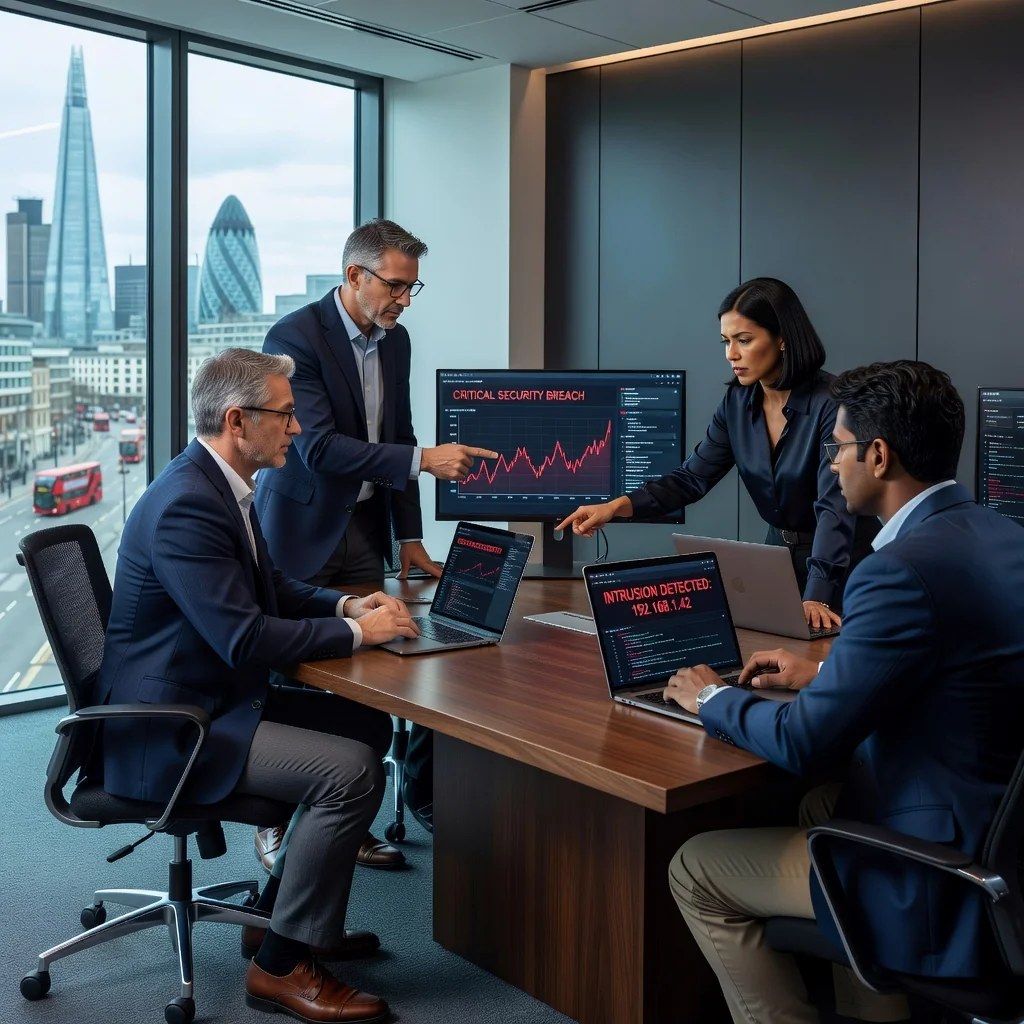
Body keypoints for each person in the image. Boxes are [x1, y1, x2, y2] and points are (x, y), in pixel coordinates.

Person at [661, 360, 1024, 1024]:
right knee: (821, 805)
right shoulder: (1004, 537)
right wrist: (826, 673)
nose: (830, 465)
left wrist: (711, 698)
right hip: (1002, 831)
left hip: (945, 877)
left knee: (694, 869)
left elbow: (804, 742)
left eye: (838, 448)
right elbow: (959, 666)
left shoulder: (896, 571)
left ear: (879, 456)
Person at [97, 348, 421, 1023]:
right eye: (286, 415)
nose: (298, 428)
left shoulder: (221, 487)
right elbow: (244, 638)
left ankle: (276, 916)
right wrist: (365, 637)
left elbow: (271, 589)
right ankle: (280, 966)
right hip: (172, 726)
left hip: (209, 695)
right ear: (238, 421)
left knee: (367, 726)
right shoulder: (188, 505)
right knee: (352, 772)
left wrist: (344, 608)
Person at [253, 218, 495, 849]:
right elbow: (323, 449)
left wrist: (409, 534)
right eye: (395, 286)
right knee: (290, 667)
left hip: (363, 525)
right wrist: (424, 462)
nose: (404, 300)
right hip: (301, 527)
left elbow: (400, 436)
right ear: (355, 276)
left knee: (365, 662)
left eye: (413, 288)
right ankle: (277, 819)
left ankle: (347, 813)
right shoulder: (294, 338)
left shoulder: (397, 341)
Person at [556, 278, 879, 629]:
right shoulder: (738, 403)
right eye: (726, 341)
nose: (731, 354)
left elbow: (835, 508)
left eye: (744, 340)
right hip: (779, 560)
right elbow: (691, 479)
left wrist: (817, 592)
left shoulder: (832, 403)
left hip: (843, 563)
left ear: (782, 338)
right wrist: (613, 508)